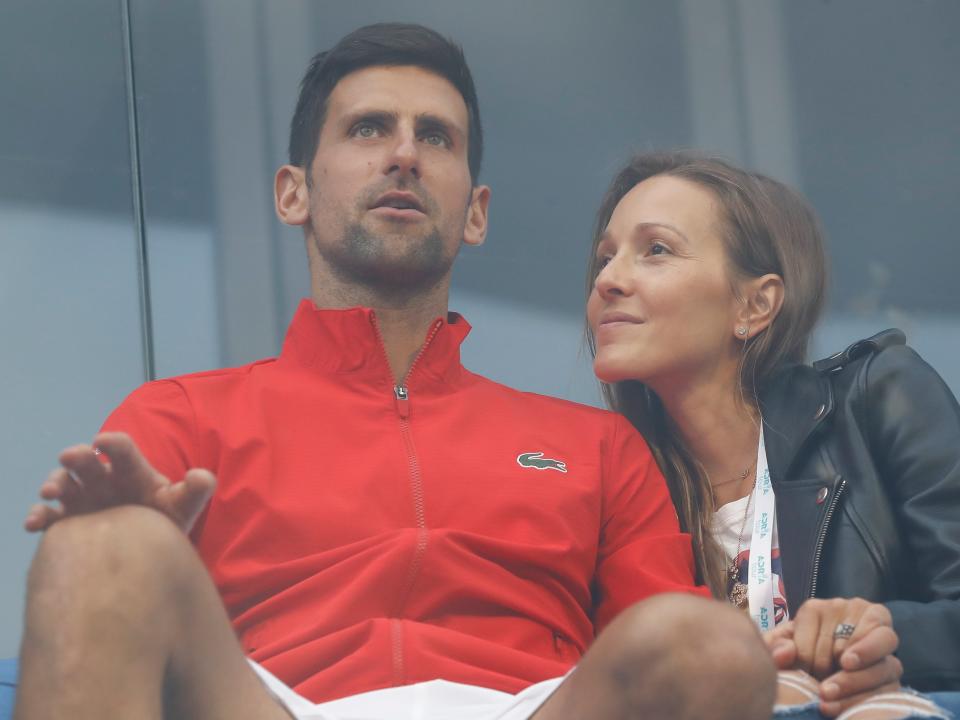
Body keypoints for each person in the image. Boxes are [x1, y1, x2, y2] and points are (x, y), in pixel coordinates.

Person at [13, 25, 780, 720]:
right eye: (369, 128)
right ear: (294, 193)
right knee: (101, 550)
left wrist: (822, 650)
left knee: (706, 643)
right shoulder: (181, 417)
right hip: (272, 703)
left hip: (531, 709)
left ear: (475, 213)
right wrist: (137, 546)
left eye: (437, 138)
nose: (404, 153)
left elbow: (686, 662)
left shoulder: (599, 447)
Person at [586, 150, 960, 718]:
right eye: (605, 258)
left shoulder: (880, 395)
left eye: (655, 250)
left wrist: (880, 631)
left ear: (755, 305)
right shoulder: (610, 482)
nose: (609, 280)